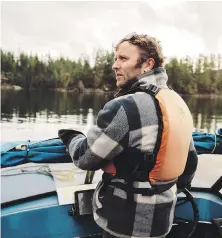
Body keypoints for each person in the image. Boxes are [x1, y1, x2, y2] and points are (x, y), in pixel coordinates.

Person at [58, 33, 198, 238]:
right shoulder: (177, 103)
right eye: (115, 58)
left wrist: (71, 137)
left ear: (148, 64)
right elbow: (190, 164)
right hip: (162, 222)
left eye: (123, 59)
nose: (115, 65)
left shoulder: (125, 106)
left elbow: (85, 157)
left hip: (123, 223)